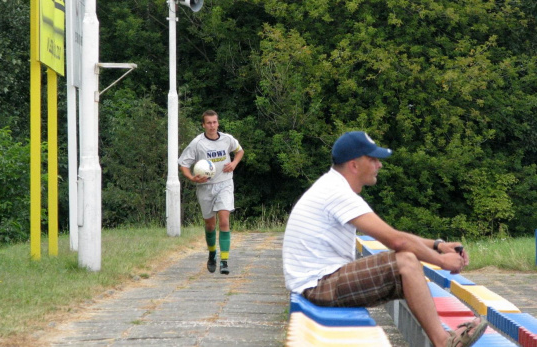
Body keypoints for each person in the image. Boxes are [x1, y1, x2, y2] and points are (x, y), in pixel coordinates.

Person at [282, 131, 487, 347]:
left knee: (408, 266)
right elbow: (396, 241)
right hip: (317, 286)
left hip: (317, 282)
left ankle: (443, 337)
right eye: (373, 159)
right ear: (354, 165)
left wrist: (438, 246)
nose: (379, 165)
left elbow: (393, 235)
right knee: (406, 261)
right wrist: (442, 261)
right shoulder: (337, 193)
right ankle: (444, 342)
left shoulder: (333, 186)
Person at [178, 110, 244, 275]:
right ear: (203, 125)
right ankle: (212, 253)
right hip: (205, 187)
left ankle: (224, 261)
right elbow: (183, 164)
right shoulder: (197, 143)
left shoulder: (227, 139)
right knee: (210, 224)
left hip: (225, 184)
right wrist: (192, 178)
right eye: (209, 123)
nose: (212, 126)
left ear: (218, 123)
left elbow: (239, 150)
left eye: (214, 122)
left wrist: (234, 163)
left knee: (224, 221)